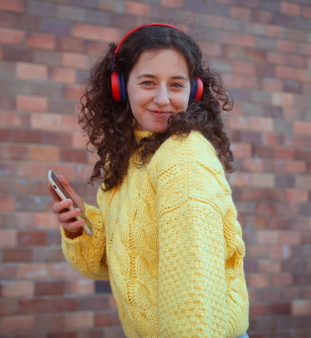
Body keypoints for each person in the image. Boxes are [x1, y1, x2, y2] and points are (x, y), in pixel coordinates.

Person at [49, 23, 249, 338]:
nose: (162, 98)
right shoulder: (129, 155)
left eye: (176, 85)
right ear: (121, 86)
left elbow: (193, 291)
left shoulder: (183, 157)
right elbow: (114, 264)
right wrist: (80, 229)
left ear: (193, 91)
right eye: (147, 82)